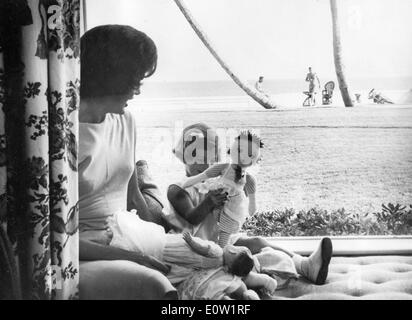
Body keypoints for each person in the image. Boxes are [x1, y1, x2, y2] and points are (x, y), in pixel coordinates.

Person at [166, 123, 333, 288]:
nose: (202, 165)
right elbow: (193, 218)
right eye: (194, 157)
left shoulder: (212, 183)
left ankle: (306, 265)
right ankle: (264, 275)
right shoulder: (177, 189)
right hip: (194, 248)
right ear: (181, 156)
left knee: (257, 241)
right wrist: (210, 201)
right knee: (240, 261)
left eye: (208, 159)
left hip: (216, 239)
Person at [78, 25, 177, 300]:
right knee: (155, 283)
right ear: (111, 76)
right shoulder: (63, 133)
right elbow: (55, 236)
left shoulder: (125, 120)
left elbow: (133, 195)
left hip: (126, 235)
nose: (138, 90)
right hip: (81, 251)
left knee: (219, 257)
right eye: (134, 79)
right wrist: (134, 257)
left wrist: (161, 235)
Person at [181, 130, 263, 247]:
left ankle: (221, 255)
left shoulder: (247, 179)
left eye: (251, 155)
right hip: (213, 214)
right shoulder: (222, 169)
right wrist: (186, 184)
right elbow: (201, 177)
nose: (244, 157)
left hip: (230, 214)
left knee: (228, 238)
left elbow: (252, 202)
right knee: (216, 232)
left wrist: (251, 208)